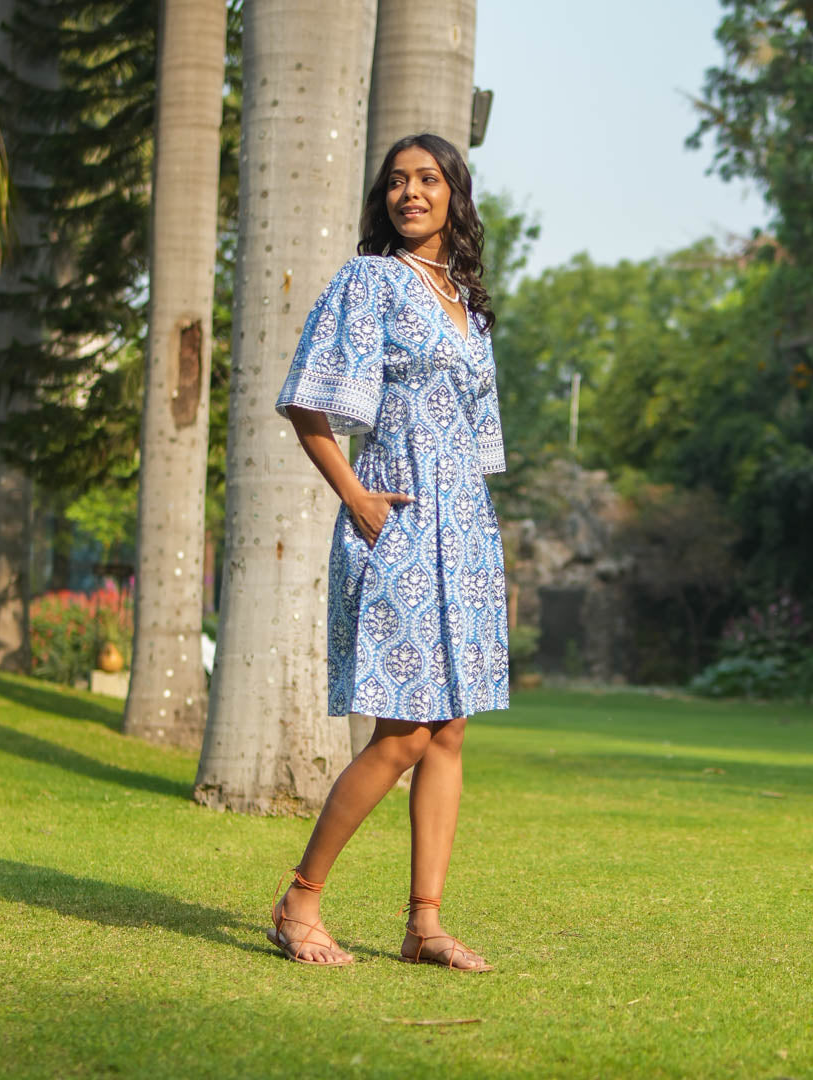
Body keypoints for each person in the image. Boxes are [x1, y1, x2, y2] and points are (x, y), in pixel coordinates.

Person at [270, 133, 509, 970]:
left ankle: (425, 925)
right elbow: (308, 405)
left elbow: (480, 446)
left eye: (429, 179)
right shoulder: (367, 281)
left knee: (447, 731)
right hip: (395, 515)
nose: (412, 193)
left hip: (466, 529)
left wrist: (479, 545)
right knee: (402, 730)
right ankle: (299, 901)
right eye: (399, 182)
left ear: (454, 195)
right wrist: (358, 498)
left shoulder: (470, 302)